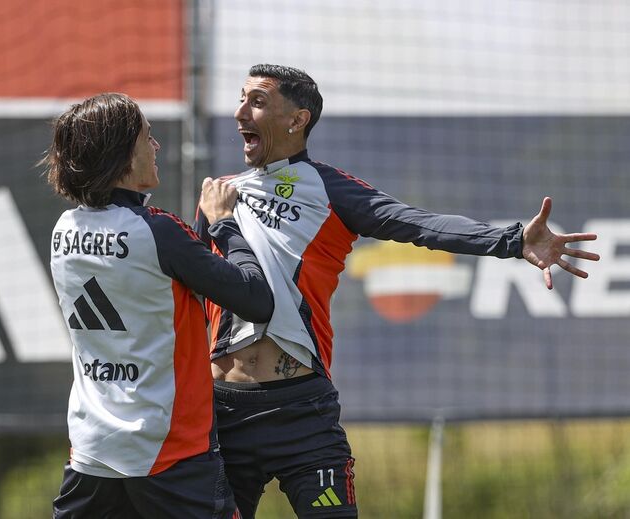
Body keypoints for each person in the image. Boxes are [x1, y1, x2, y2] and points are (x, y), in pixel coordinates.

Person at [194, 64, 600, 518]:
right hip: (223, 413)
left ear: (297, 120)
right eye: (241, 98)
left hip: (300, 412)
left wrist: (513, 239)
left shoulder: (331, 190)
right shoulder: (218, 197)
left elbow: (418, 224)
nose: (239, 113)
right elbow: (194, 297)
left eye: (257, 101)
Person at [44, 92, 273, 518]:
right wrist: (224, 223)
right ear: (121, 159)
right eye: (147, 139)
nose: (156, 147)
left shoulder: (63, 229)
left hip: (91, 450)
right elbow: (256, 298)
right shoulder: (157, 231)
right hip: (168, 452)